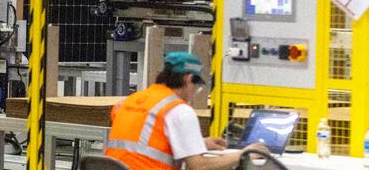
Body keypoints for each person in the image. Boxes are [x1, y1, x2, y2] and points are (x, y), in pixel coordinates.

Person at [105, 52, 267, 170]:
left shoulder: (131, 99)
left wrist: (197, 144)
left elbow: (142, 143)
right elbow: (199, 166)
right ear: (189, 79)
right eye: (196, 85)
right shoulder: (179, 110)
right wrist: (245, 154)